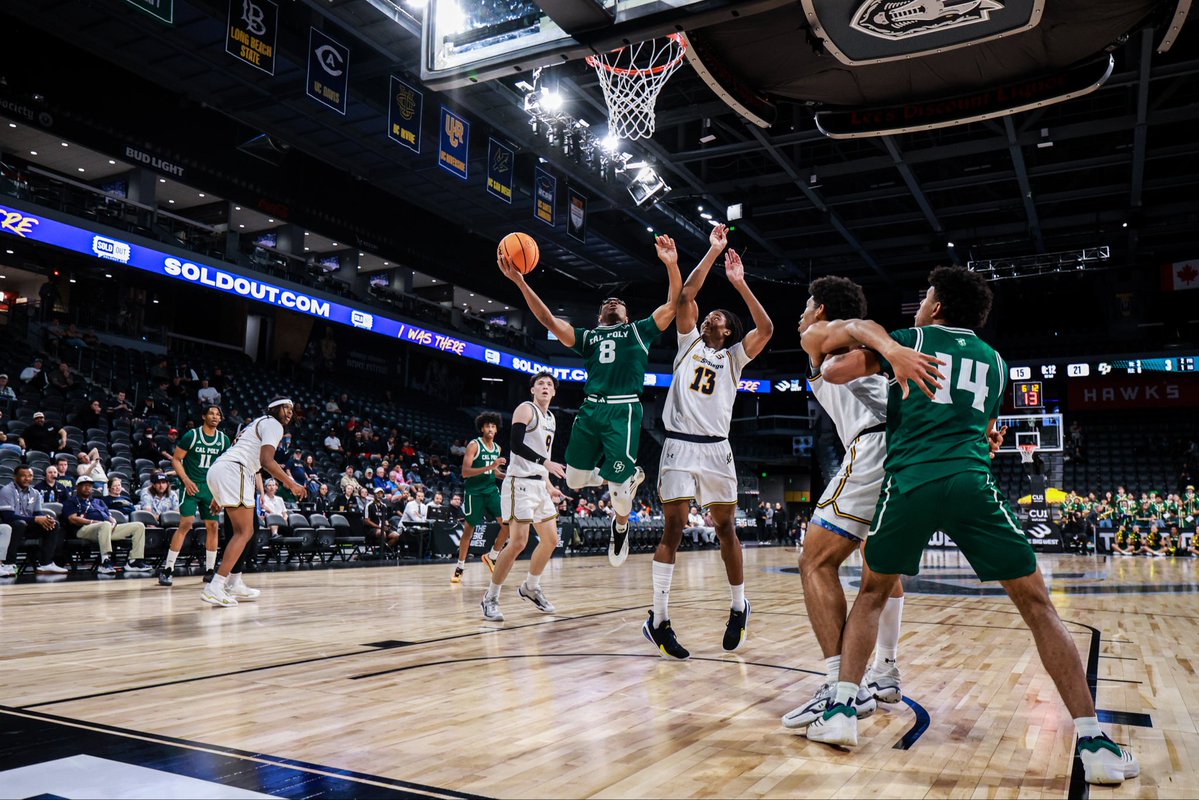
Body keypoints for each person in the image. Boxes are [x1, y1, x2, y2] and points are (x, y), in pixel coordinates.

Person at [801, 266, 1139, 786]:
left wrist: (883, 347)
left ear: (936, 307)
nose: (921, 301)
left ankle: (843, 711)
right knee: (1038, 607)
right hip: (971, 484)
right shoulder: (997, 361)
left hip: (909, 482)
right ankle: (1094, 740)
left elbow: (833, 371)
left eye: (926, 294)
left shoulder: (911, 339)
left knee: (871, 592)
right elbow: (984, 433)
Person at [498, 231, 685, 568]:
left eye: (618, 303)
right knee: (572, 479)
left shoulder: (639, 331)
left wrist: (672, 264)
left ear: (626, 316)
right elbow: (548, 320)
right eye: (605, 304)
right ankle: (627, 476)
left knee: (618, 494)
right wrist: (521, 282)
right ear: (599, 317)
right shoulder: (589, 337)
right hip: (590, 410)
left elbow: (673, 305)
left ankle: (621, 524)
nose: (612, 303)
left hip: (622, 410)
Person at [782, 275, 913, 730]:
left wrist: (889, 348)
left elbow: (860, 324)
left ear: (819, 309)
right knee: (879, 568)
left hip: (873, 447)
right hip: (905, 453)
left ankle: (840, 687)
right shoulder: (860, 352)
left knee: (814, 560)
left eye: (805, 304)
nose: (801, 314)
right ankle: (886, 672)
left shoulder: (819, 336)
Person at [645, 242, 772, 659]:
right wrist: (713, 252)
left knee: (725, 530)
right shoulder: (688, 344)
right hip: (680, 445)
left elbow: (767, 329)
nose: (709, 315)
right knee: (674, 528)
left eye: (718, 316)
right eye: (708, 313)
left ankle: (739, 606)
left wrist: (741, 284)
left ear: (728, 329)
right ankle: (658, 619)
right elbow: (685, 297)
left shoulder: (735, 357)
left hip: (717, 450)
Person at [202, 397, 306, 607]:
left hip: (226, 470)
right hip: (234, 470)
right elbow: (267, 461)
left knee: (251, 528)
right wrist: (291, 483)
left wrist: (218, 495)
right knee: (244, 532)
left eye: (291, 409)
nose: (289, 412)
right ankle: (215, 585)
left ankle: (234, 581)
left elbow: (251, 457)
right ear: (274, 409)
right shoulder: (273, 424)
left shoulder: (257, 423)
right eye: (285, 407)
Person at [481, 372, 568, 621]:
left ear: (554, 393)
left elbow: (543, 456)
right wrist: (546, 463)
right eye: (540, 383)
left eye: (549, 384)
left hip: (538, 485)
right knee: (518, 542)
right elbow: (516, 445)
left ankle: (530, 587)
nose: (544, 386)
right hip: (519, 483)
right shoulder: (525, 409)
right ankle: (490, 598)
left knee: (551, 540)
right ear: (532, 390)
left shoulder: (550, 418)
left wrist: (549, 484)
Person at [452, 412, 510, 584]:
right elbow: (465, 472)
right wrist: (491, 466)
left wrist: (507, 476)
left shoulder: (498, 448)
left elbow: (495, 472)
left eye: (493, 426)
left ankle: (491, 557)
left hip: (491, 491)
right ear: (482, 428)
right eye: (487, 426)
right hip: (474, 492)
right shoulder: (474, 445)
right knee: (468, 531)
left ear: (497, 429)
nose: (490, 428)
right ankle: (460, 567)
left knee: (507, 526)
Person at [63, 475, 151, 575]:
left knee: (138, 526)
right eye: (84, 485)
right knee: (105, 525)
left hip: (106, 529)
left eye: (90, 485)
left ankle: (134, 561)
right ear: (77, 487)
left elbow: (110, 517)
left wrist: (113, 522)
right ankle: (104, 561)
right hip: (83, 530)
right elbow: (72, 519)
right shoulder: (72, 501)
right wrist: (93, 522)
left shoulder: (98, 501)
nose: (88, 487)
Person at [0, 465, 67, 576]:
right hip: (11, 527)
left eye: (30, 476)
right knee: (19, 524)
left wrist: (45, 519)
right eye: (23, 476)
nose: (27, 478)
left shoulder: (35, 493)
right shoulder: (6, 490)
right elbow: (8, 516)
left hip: (28, 526)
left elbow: (38, 514)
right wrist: (36, 519)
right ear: (15, 477)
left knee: (53, 524)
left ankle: (46, 564)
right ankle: (9, 563)